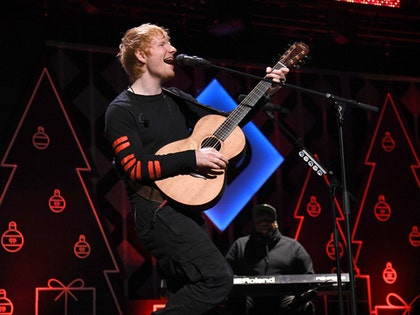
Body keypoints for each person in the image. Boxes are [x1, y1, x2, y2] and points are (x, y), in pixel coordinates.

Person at [104, 23, 289, 315]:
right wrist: (193, 158)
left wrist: (265, 92)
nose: (173, 49)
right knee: (217, 279)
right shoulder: (121, 110)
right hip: (156, 211)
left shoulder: (176, 98)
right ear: (141, 55)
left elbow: (228, 123)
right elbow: (135, 167)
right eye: (163, 43)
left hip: (186, 209)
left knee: (191, 293)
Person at [225, 204, 315, 315]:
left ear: (276, 223)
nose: (264, 223)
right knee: (235, 303)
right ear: (254, 224)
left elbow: (309, 277)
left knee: (302, 305)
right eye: (260, 220)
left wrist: (297, 294)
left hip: (284, 299)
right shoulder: (240, 245)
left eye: (268, 220)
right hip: (250, 299)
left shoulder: (293, 246)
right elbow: (226, 274)